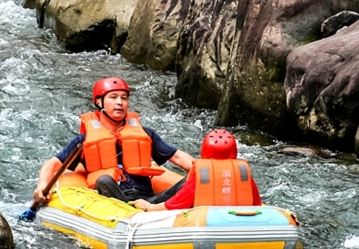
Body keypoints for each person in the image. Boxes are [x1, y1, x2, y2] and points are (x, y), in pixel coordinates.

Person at [33, 77, 194, 205]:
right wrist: (41, 186)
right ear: (99, 102)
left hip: (148, 200)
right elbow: (52, 164)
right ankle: (131, 212)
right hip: (113, 201)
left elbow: (178, 157)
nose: (120, 102)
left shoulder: (146, 134)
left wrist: (202, 171)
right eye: (113, 97)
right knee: (104, 180)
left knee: (193, 179)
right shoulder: (84, 140)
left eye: (124, 98)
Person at [131, 129, 262, 212]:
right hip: (238, 222)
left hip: (208, 223)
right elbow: (257, 204)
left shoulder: (202, 176)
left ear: (204, 151)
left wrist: (149, 207)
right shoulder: (242, 172)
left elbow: (175, 204)